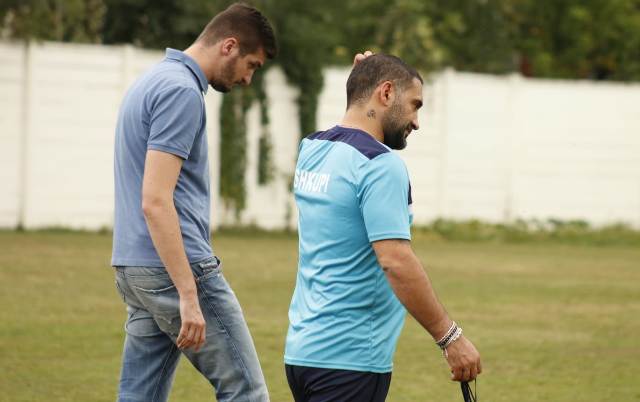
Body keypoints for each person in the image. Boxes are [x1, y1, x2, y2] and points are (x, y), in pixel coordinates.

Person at [284, 54, 482, 402]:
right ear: (387, 93)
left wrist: (363, 80)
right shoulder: (379, 165)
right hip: (351, 359)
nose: (416, 122)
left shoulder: (313, 148)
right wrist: (450, 338)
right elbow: (395, 261)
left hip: (303, 355)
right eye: (414, 105)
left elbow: (354, 120)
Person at [111, 3, 276, 402]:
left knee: (140, 395)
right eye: (251, 65)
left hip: (134, 266)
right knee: (246, 391)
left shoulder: (152, 79)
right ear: (229, 46)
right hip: (174, 269)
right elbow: (155, 199)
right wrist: (188, 293)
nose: (248, 79)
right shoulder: (181, 92)